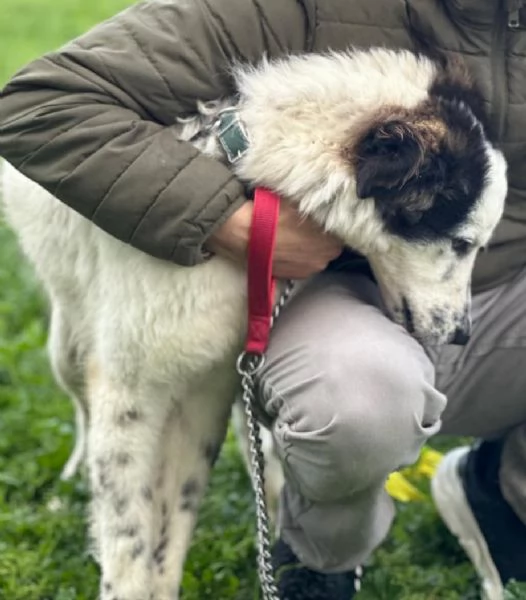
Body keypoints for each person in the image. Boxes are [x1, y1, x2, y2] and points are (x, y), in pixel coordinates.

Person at [1, 0, 525, 598]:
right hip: (332, 294)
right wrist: (231, 222)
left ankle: (502, 496)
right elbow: (38, 104)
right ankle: (316, 556)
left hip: (491, 280)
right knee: (342, 398)